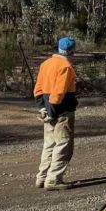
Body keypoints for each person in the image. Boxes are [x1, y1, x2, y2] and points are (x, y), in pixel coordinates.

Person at [34, 37, 79, 189]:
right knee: (63, 145)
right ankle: (53, 180)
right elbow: (58, 93)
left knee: (49, 144)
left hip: (47, 110)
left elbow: (38, 89)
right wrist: (52, 113)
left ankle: (42, 177)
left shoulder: (46, 64)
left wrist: (43, 109)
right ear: (72, 51)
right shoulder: (66, 67)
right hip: (62, 112)